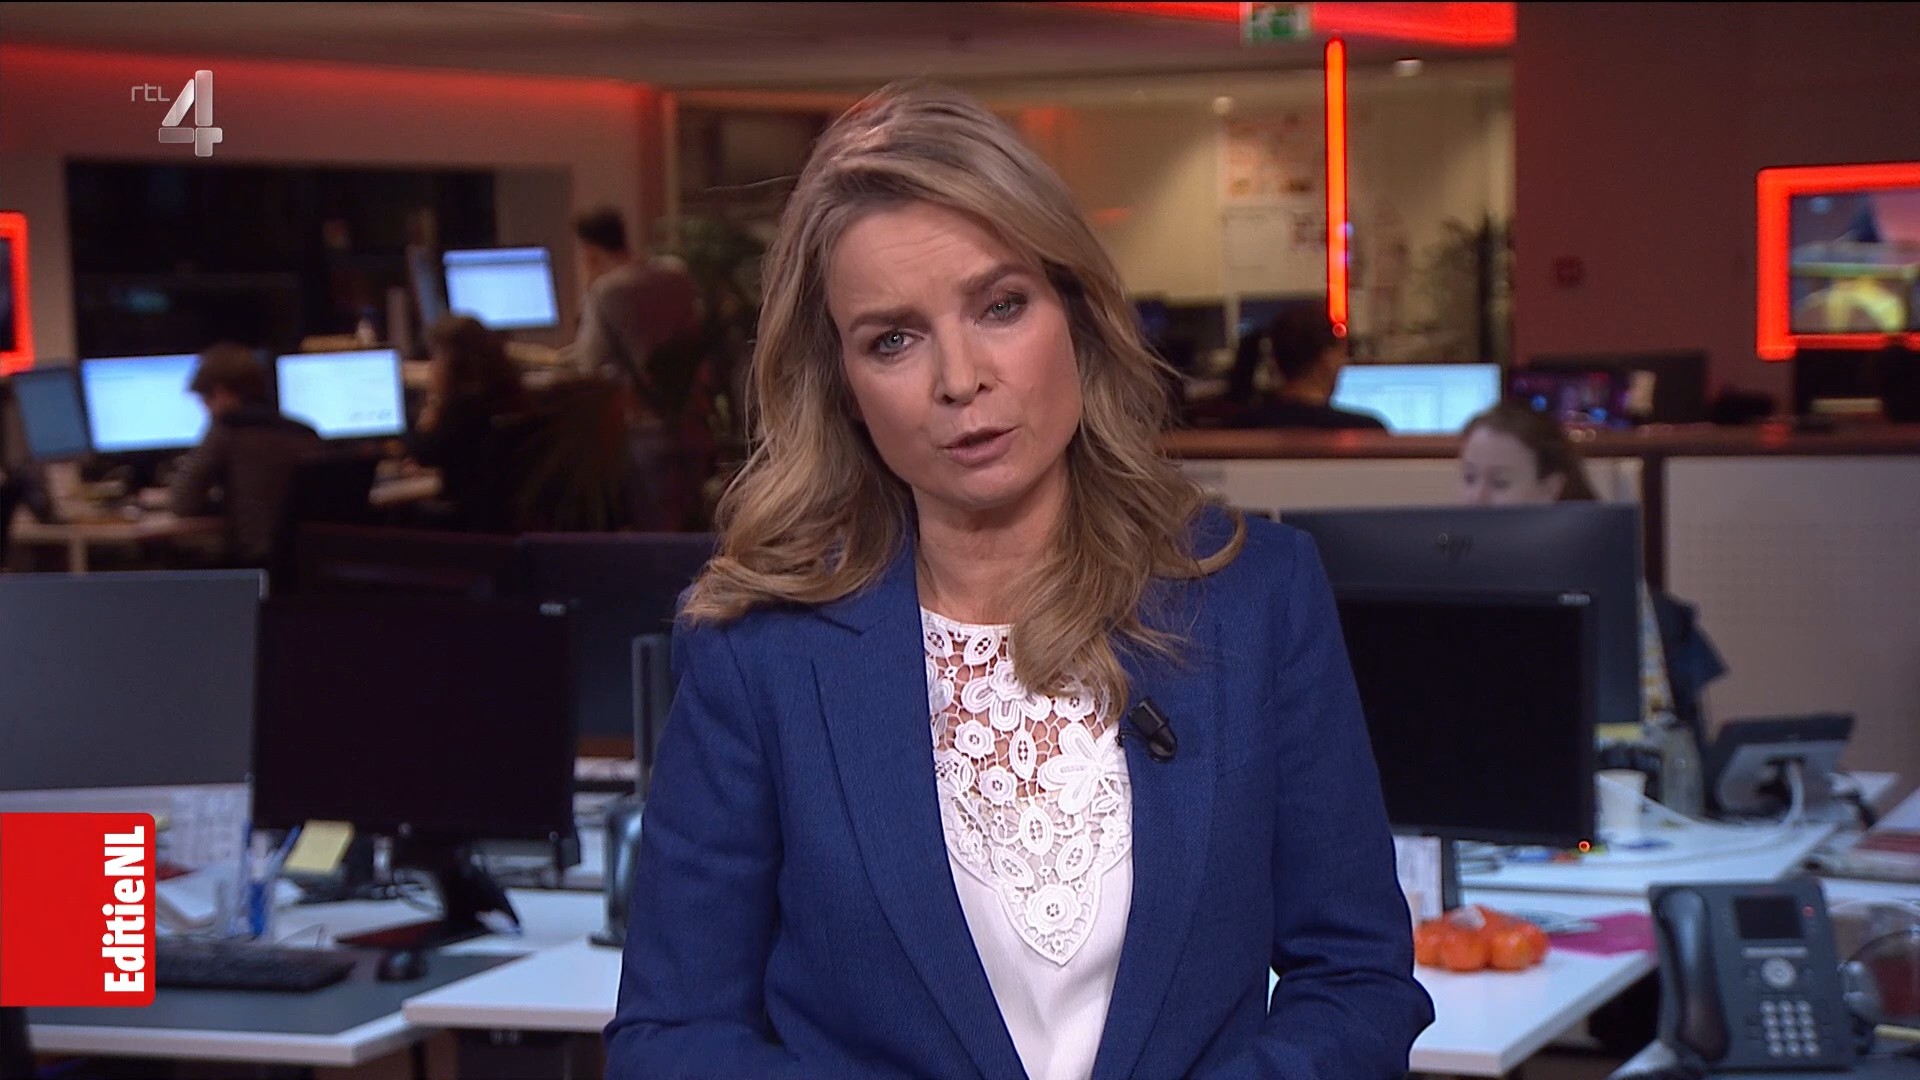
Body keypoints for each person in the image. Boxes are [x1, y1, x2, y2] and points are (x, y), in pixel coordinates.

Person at [604, 83, 1431, 1080]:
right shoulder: (762, 649)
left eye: (1000, 306)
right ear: (844, 386)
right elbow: (672, 1035)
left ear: (1075, 313)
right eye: (893, 339)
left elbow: (1356, 978)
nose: (960, 379)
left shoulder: (1254, 596)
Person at [1459, 403, 1727, 749]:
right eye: (1469, 478)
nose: (1477, 497)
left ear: (1551, 487)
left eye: (1499, 482)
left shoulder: (1608, 585)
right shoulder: (1449, 580)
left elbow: (1651, 730)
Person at [568, 206, 710, 529]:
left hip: (645, 433)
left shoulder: (606, 291)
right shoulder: (676, 274)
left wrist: (589, 290)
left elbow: (587, 363)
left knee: (655, 536)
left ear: (589, 252)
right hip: (693, 427)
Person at [170, 343, 323, 565]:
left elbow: (183, 501)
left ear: (221, 392)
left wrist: (220, 506)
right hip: (308, 563)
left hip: (256, 562)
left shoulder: (228, 430)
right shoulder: (305, 433)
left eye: (205, 400)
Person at [410, 314, 530, 533]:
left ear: (454, 364)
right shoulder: (512, 397)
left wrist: (434, 405)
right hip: (505, 527)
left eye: (437, 357)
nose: (433, 366)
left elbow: (423, 452)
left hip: (467, 527)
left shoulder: (460, 412)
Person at [1229, 307, 1386, 431]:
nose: (1343, 363)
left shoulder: (1240, 426)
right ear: (1327, 359)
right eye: (1343, 354)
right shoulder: (1365, 430)